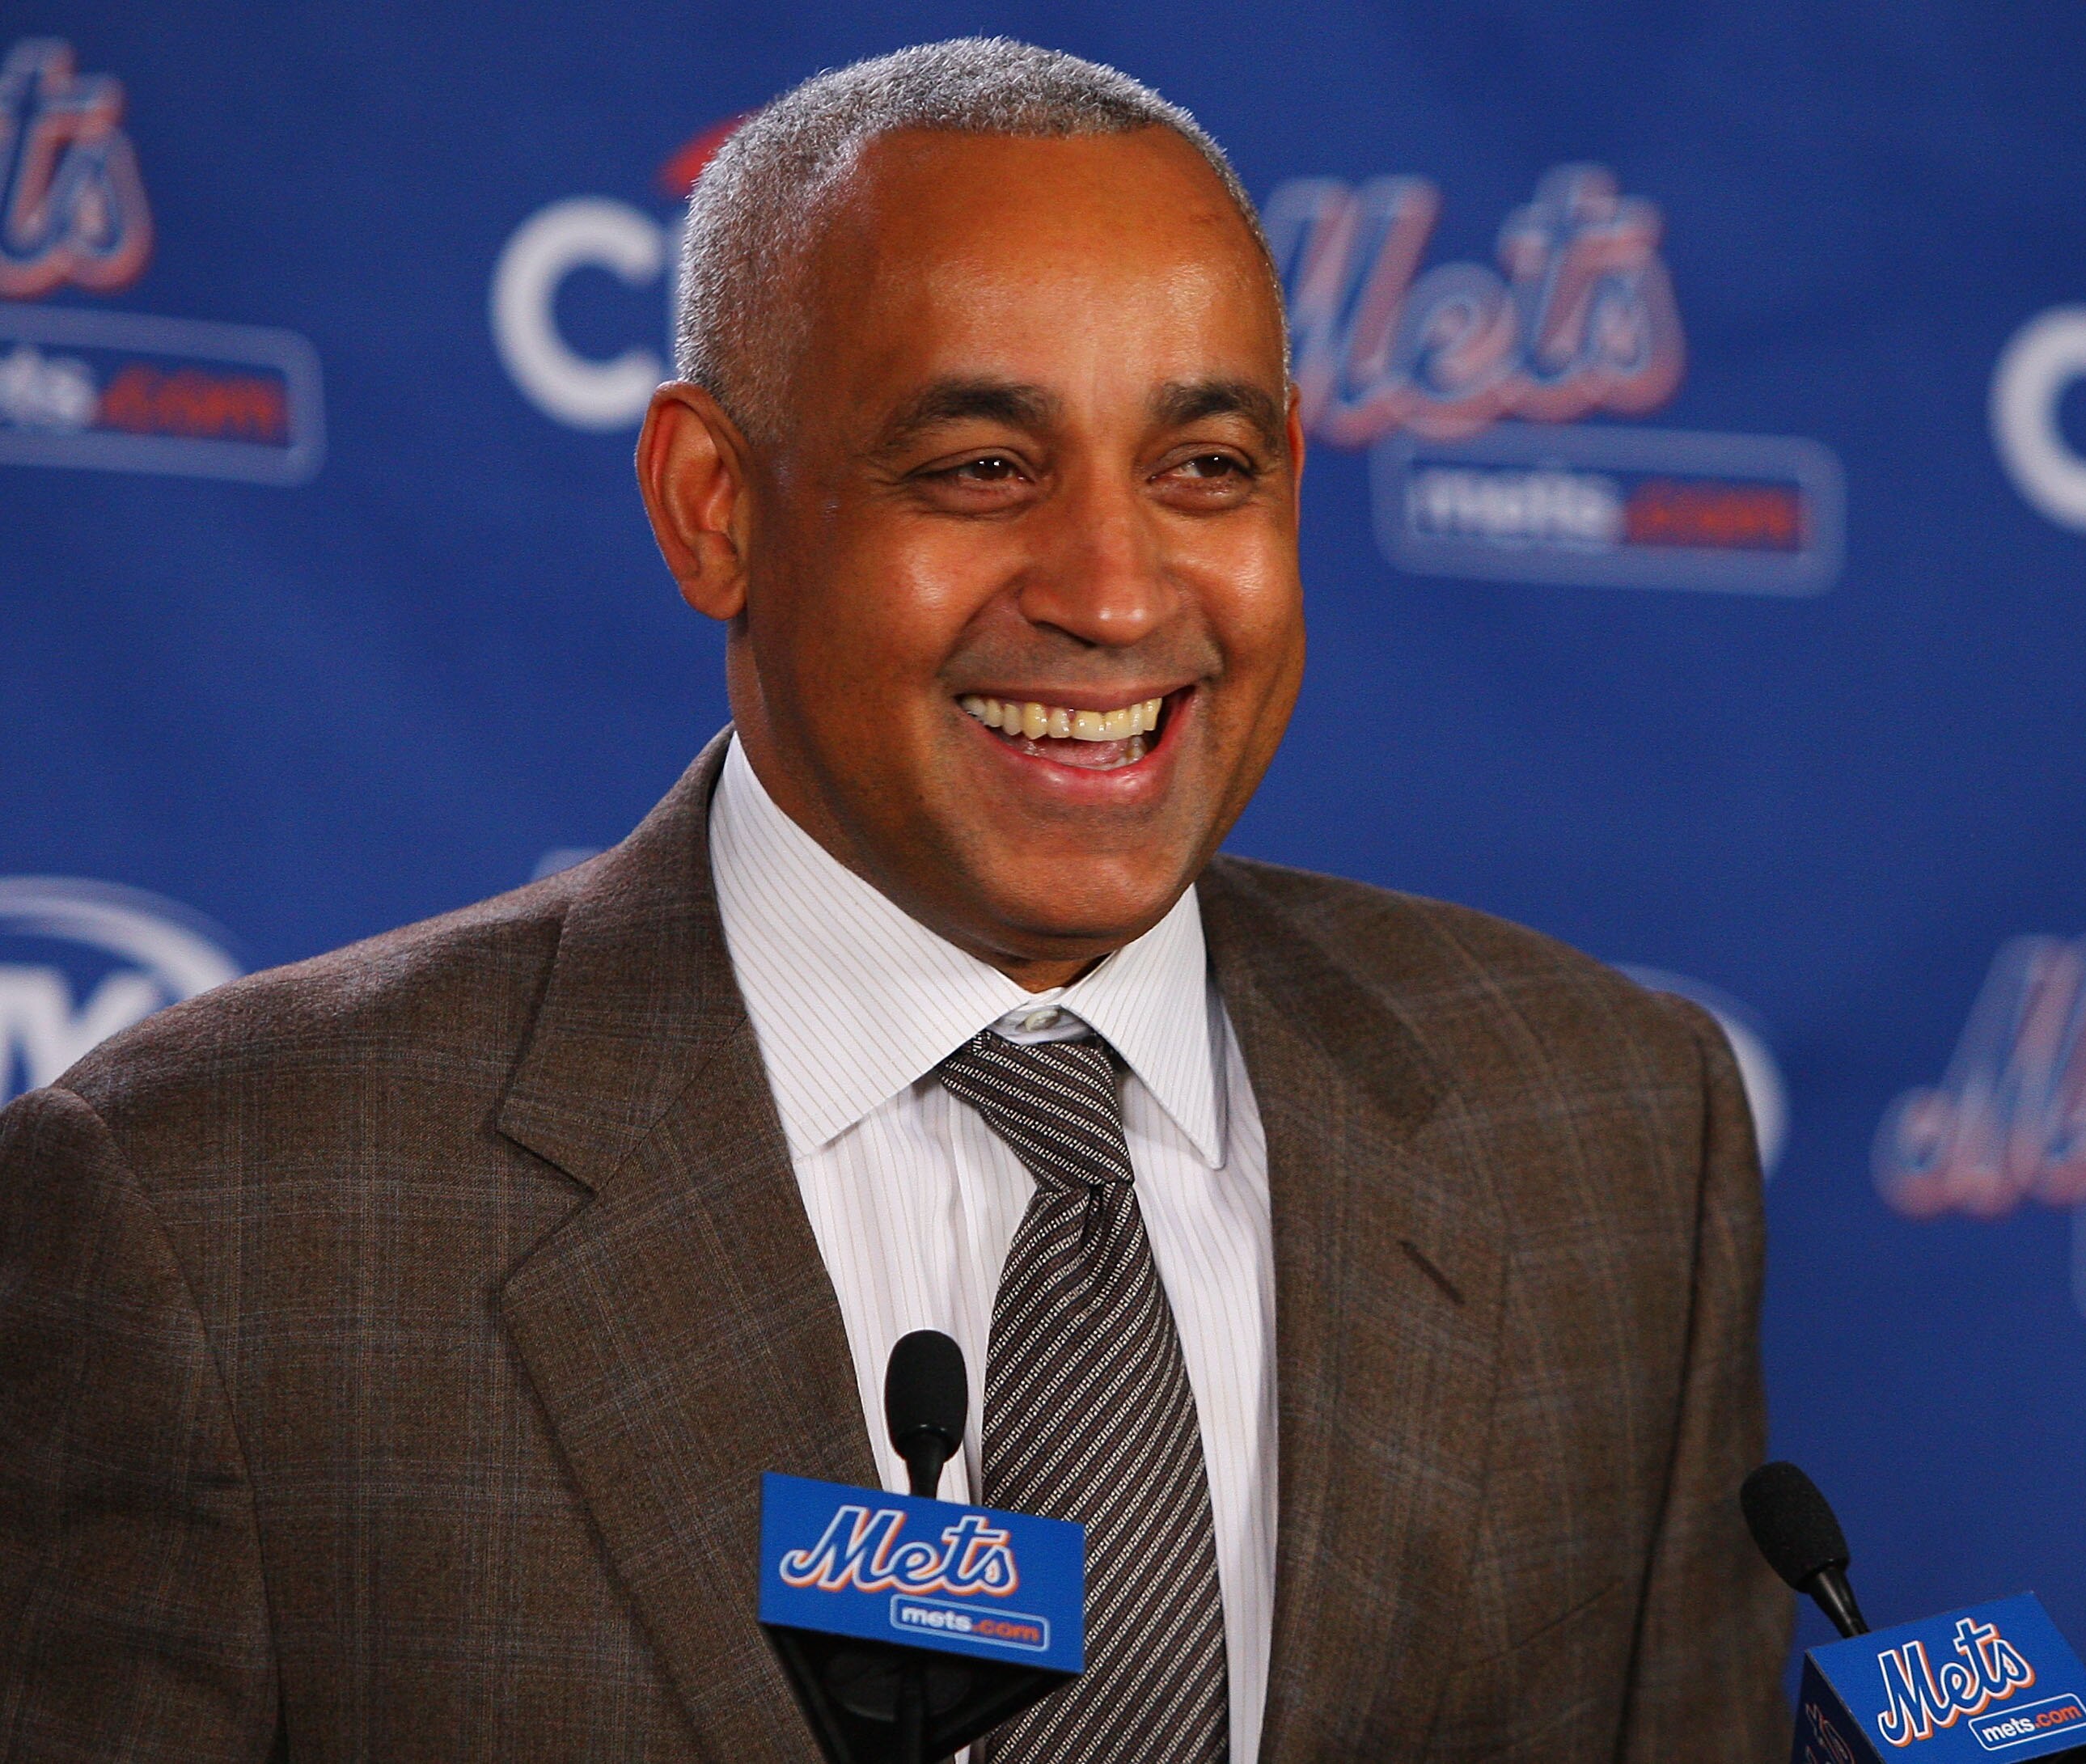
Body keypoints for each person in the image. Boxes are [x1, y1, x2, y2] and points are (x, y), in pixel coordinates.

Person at [0, 39, 1790, 1763]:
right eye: (982, 468)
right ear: (714, 506)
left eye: (1206, 469)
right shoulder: (213, 1214)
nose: (1112, 588)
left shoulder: (1614, 1133)